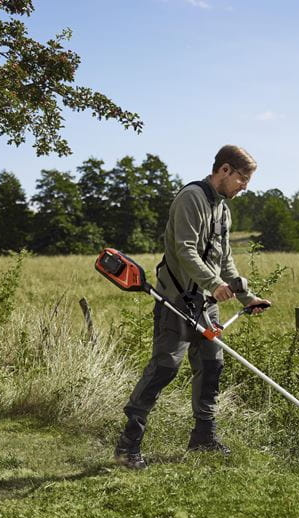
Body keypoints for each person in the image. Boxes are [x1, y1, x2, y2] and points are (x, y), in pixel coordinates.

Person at [114, 145, 271, 470]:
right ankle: (127, 445)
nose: (244, 186)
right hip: (175, 301)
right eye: (242, 178)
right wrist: (214, 283)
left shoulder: (222, 210)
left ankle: (203, 438)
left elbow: (224, 258)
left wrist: (247, 297)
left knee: (212, 366)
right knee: (165, 368)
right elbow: (185, 250)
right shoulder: (192, 198)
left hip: (205, 305)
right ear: (224, 170)